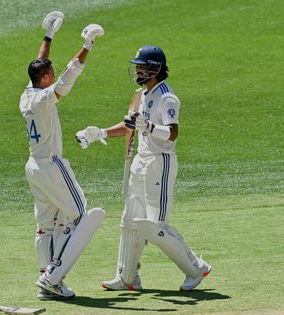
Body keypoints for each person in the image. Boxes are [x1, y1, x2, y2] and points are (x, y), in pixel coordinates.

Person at [75, 45, 211, 291]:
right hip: (140, 161)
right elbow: (132, 124)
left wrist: (147, 126)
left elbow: (172, 133)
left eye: (141, 65)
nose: (137, 69)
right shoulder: (143, 94)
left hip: (160, 163)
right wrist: (101, 133)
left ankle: (196, 268)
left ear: (155, 68)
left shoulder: (167, 97)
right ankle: (128, 278)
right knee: (129, 221)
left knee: (155, 226)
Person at [20, 11, 106, 299]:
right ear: (45, 78)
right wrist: (88, 45)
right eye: (50, 74)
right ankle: (53, 277)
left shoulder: (27, 94)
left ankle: (46, 280)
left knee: (47, 225)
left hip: (33, 167)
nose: (53, 75)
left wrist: (49, 36)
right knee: (80, 213)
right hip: (51, 165)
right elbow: (69, 76)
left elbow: (37, 66)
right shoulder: (45, 99)